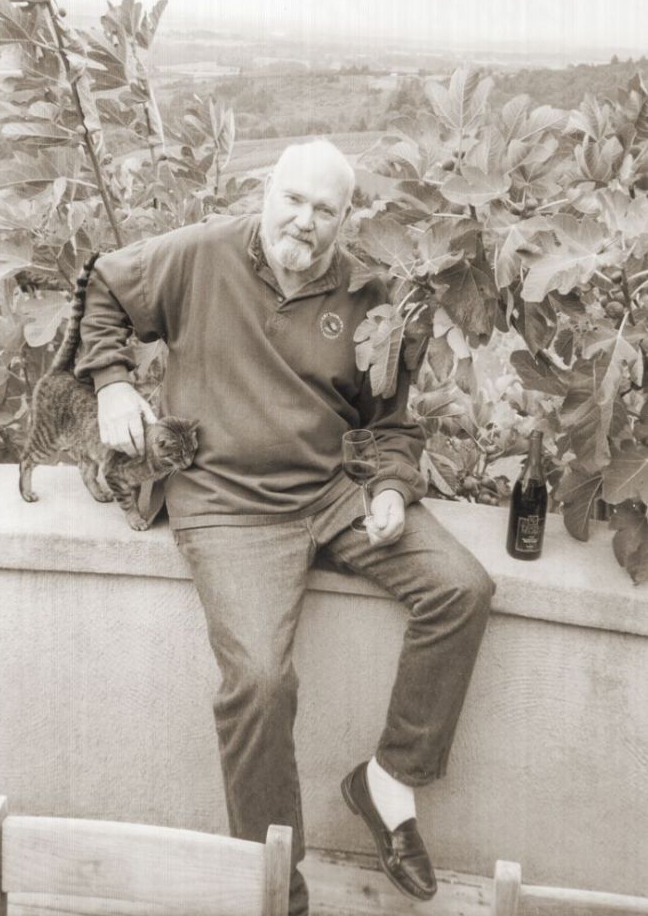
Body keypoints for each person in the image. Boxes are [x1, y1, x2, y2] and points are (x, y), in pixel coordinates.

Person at [75, 139, 495, 916]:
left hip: (334, 490)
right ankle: (277, 889)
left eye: (323, 210)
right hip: (226, 503)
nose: (303, 222)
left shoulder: (372, 298)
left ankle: (388, 780)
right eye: (292, 200)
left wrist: (394, 490)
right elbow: (104, 282)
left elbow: (393, 426)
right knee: (261, 685)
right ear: (267, 191)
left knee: (462, 590)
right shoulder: (198, 254)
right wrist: (110, 385)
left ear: (345, 218)